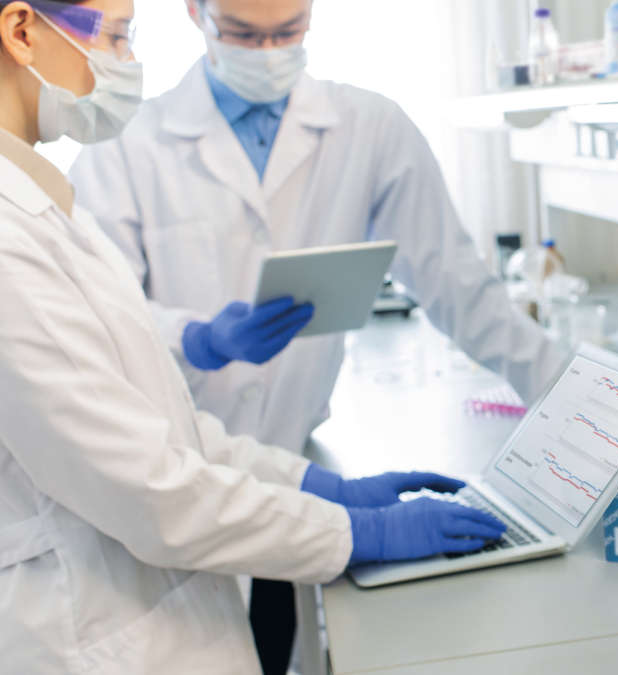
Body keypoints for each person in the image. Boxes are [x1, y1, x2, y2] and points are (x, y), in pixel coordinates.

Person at [0, 1, 508, 672]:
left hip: (156, 606)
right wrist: (359, 531)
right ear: (22, 32)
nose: (127, 63)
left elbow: (161, 424)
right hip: (96, 636)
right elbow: (151, 490)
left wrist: (318, 486)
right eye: (117, 37)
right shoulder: (9, 239)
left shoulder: (43, 209)